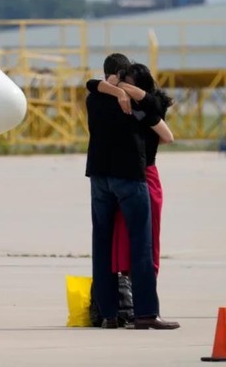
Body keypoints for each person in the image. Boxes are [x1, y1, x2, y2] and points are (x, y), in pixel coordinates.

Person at [85, 53, 178, 330]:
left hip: (99, 176)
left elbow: (90, 85)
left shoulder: (94, 98)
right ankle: (146, 313)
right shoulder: (137, 104)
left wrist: (110, 86)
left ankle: (109, 314)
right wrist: (123, 90)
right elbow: (155, 108)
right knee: (141, 246)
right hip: (129, 177)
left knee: (101, 246)